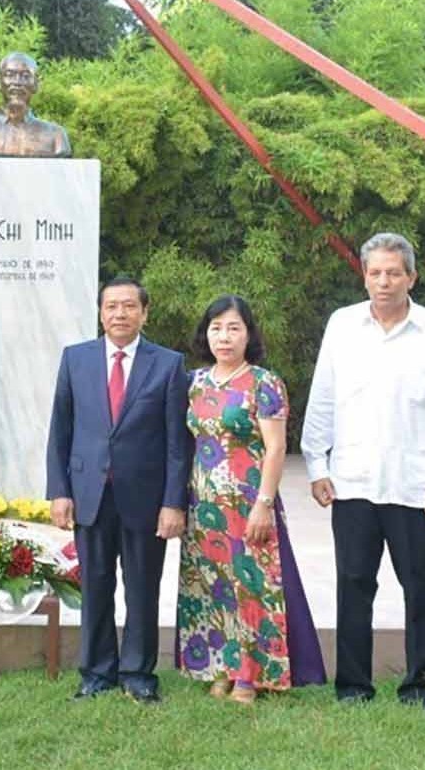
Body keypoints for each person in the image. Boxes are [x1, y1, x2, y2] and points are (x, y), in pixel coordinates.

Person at [303, 232, 425, 706]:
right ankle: (353, 685)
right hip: (353, 481)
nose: (383, 281)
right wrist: (317, 462)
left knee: (420, 587)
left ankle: (420, 684)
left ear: (411, 277)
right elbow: (323, 398)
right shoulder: (342, 325)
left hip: (415, 486)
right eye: (375, 272)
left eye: (393, 272)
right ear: (364, 275)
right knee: (354, 584)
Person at [46, 274, 190, 703]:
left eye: (129, 306)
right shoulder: (76, 359)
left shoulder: (167, 364)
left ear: (145, 312)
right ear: (100, 312)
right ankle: (96, 672)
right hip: (90, 494)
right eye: (112, 306)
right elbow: (61, 429)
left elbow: (176, 443)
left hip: (145, 500)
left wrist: (173, 502)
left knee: (143, 589)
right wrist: (60, 490)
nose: (120, 313)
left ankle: (139, 674)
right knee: (95, 586)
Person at [175, 295, 325, 703]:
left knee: (251, 587)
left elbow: (275, 449)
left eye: (233, 328)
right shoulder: (195, 383)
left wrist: (264, 502)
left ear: (249, 334)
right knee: (212, 587)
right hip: (204, 506)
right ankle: (219, 667)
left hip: (247, 504)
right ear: (206, 334)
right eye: (216, 328)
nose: (224, 337)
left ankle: (250, 674)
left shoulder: (264, 383)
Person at [0, 51, 72, 157]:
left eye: (26, 76)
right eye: (9, 75)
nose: (17, 82)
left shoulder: (55, 136)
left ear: (36, 84)